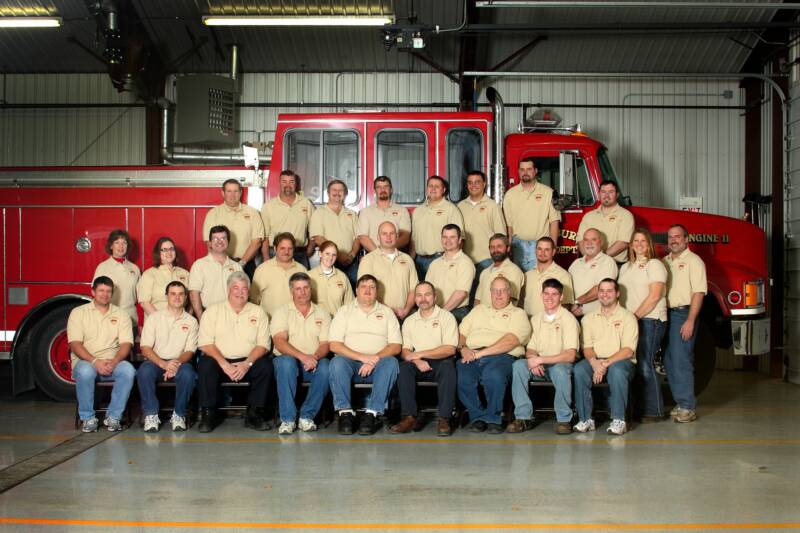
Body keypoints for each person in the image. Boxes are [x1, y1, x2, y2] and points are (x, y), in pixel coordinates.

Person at [196, 271, 273, 433]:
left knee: (265, 365)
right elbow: (205, 344)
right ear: (228, 290)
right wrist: (224, 365)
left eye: (244, 289)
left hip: (247, 361)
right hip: (219, 361)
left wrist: (247, 363)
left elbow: (263, 345)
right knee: (205, 364)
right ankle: (208, 414)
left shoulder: (258, 312)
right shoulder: (212, 311)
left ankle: (254, 414)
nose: (240, 292)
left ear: (249, 291)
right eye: (235, 288)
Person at [328, 274, 401, 435]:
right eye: (364, 287)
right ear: (356, 290)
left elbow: (396, 346)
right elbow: (334, 345)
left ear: (377, 291)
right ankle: (345, 413)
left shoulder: (387, 312)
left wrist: (374, 359)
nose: (368, 291)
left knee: (391, 363)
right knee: (336, 363)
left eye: (372, 287)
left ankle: (372, 414)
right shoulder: (344, 311)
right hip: (351, 363)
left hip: (378, 364)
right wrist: (362, 358)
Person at [457, 277, 531, 434]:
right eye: (495, 291)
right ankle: (478, 417)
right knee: (462, 375)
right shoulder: (478, 310)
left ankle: (493, 418)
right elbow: (461, 333)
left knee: (494, 375)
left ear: (509, 293)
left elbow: (511, 341)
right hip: (471, 353)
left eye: (502, 290)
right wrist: (463, 348)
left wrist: (480, 354)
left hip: (502, 356)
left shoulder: (518, 313)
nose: (498, 295)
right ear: (490, 293)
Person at [508, 279, 579, 435]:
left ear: (561, 297)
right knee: (519, 365)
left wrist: (540, 360)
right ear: (541, 295)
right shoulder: (536, 319)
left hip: (560, 364)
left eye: (554, 294)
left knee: (560, 370)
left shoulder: (569, 319)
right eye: (546, 293)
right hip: (541, 365)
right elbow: (531, 348)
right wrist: (533, 360)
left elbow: (570, 355)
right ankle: (523, 417)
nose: (550, 298)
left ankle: (563, 419)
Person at [390, 282, 458, 437]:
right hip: (417, 363)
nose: (423, 299)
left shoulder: (447, 317)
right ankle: (409, 417)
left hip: (441, 360)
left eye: (427, 294)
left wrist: (420, 354)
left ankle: (444, 418)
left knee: (448, 369)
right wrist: (416, 360)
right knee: (404, 368)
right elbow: (405, 351)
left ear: (435, 297)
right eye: (419, 295)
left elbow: (450, 349)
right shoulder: (410, 321)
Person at [68, 276, 135, 432]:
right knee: (85, 372)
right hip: (87, 362)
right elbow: (75, 344)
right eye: (101, 291)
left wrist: (115, 361)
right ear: (93, 292)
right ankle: (88, 418)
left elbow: (126, 344)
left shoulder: (122, 314)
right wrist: (95, 361)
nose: (105, 294)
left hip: (113, 361)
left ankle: (114, 417)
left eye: (108, 291)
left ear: (112, 294)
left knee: (128, 371)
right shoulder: (78, 313)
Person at [573, 278, 638, 435]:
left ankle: (619, 420)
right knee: (579, 370)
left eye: (609, 291)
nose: (605, 294)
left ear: (617, 293)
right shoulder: (588, 318)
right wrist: (594, 362)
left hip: (621, 362)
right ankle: (586, 419)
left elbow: (628, 350)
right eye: (601, 291)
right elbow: (587, 347)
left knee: (617, 372)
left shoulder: (628, 317)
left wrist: (604, 364)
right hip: (596, 359)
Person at [271, 272, 332, 435]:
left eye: (305, 287)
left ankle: (306, 417)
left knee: (327, 366)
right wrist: (303, 357)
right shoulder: (282, 312)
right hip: (288, 363)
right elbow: (279, 342)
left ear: (310, 289)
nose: (302, 292)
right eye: (298, 289)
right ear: (291, 291)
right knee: (286, 362)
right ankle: (288, 420)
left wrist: (315, 358)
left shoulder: (322, 313)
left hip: (313, 362)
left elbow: (325, 344)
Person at [618, 228, 668, 422]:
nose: (639, 244)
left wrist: (634, 317)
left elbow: (654, 296)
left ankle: (654, 411)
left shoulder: (655, 265)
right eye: (635, 241)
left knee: (646, 364)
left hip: (650, 320)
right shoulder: (626, 267)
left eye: (643, 241)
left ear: (649, 245)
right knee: (636, 365)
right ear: (630, 245)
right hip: (633, 321)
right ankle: (640, 408)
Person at [136, 281, 198, 432]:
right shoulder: (154, 318)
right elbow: (145, 348)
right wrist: (163, 364)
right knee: (144, 371)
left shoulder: (191, 321)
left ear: (185, 297)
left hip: (180, 362)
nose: (177, 297)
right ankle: (151, 414)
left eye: (181, 294)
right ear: (166, 296)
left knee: (189, 375)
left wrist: (175, 363)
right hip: (156, 361)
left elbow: (190, 351)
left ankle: (179, 414)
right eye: (173, 294)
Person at [663, 224, 707, 423]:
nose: (673, 240)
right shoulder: (664, 262)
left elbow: (698, 292)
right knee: (670, 361)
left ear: (686, 239)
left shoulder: (694, 262)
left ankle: (688, 406)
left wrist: (690, 320)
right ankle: (681, 402)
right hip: (666, 314)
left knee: (681, 360)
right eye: (670, 237)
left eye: (678, 236)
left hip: (683, 314)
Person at [502, 157, 561, 271]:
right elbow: (509, 226)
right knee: (521, 283)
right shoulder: (510, 195)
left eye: (529, 169)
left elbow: (554, 222)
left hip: (540, 247)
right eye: (522, 169)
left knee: (540, 281)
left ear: (535, 171)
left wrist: (552, 246)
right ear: (518, 171)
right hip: (518, 246)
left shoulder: (548, 192)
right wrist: (509, 246)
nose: (525, 172)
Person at [457, 170, 507, 294]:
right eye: (470, 182)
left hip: (487, 260)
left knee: (485, 295)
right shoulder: (460, 206)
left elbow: (501, 235)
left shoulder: (492, 206)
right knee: (467, 296)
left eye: (477, 182)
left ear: (484, 184)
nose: (473, 185)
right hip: (465, 260)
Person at [202, 178, 264, 277]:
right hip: (220, 264)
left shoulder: (253, 213)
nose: (232, 195)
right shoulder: (213, 214)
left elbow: (256, 242)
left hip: (246, 264)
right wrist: (223, 263)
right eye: (229, 191)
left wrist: (242, 263)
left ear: (240, 193)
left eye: (235, 191)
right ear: (223, 193)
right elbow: (209, 243)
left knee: (246, 292)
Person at [357, 221, 418, 321]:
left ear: (397, 236)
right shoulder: (368, 260)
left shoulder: (408, 259)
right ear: (378, 237)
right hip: (378, 317)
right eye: (384, 234)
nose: (388, 237)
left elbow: (414, 289)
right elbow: (364, 292)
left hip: (405, 316)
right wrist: (389, 311)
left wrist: (406, 310)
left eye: (392, 233)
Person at [410, 175, 464, 280]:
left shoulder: (451, 209)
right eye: (430, 186)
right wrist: (411, 262)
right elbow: (414, 240)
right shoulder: (418, 211)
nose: (433, 189)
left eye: (437, 186)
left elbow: (460, 239)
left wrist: (453, 261)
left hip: (442, 259)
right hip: (419, 262)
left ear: (443, 190)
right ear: (427, 189)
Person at [309, 179, 361, 286]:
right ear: (328, 193)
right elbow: (319, 238)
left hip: (351, 262)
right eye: (334, 190)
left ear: (345, 193)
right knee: (329, 291)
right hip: (328, 260)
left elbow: (358, 238)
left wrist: (351, 256)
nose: (337, 193)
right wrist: (339, 255)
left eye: (341, 190)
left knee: (352, 291)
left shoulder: (352, 214)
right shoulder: (318, 213)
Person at [260, 170, 314, 268]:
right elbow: (265, 236)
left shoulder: (306, 204)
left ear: (296, 184)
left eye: (291, 181)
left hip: (299, 254)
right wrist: (266, 257)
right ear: (279, 183)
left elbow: (314, 229)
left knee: (301, 283)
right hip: (275, 254)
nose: (288, 185)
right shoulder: (268, 206)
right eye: (284, 181)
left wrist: (310, 249)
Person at [188, 225, 243, 320]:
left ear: (228, 241)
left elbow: (242, 293)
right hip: (208, 315)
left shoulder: (236, 266)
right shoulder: (199, 265)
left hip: (232, 316)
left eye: (223, 238)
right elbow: (194, 294)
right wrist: (202, 318)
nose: (219, 241)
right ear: (210, 242)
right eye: (215, 238)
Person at [424, 224, 475, 322]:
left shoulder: (465, 262)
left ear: (460, 240)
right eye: (445, 237)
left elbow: (461, 293)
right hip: (435, 310)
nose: (448, 241)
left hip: (456, 311)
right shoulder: (434, 264)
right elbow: (427, 291)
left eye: (452, 237)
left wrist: (439, 314)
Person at [251, 232, 308, 318]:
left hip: (295, 322)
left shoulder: (302, 270)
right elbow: (254, 300)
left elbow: (306, 299)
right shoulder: (262, 269)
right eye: (282, 248)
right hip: (269, 322)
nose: (286, 252)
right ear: (275, 248)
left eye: (290, 248)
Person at [576, 180, 635, 264]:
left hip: (616, 264)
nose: (606, 195)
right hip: (590, 263)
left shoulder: (626, 215)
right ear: (599, 194)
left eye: (611, 192)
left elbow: (623, 243)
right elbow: (580, 240)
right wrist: (588, 258)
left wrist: (600, 258)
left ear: (617, 195)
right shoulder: (588, 216)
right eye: (603, 192)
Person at [93, 229, 140, 326]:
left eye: (124, 243)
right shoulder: (103, 267)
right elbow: (96, 295)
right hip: (109, 320)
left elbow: (140, 297)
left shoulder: (135, 269)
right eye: (117, 242)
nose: (121, 246)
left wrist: (140, 323)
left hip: (131, 319)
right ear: (111, 246)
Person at [568, 228, 618, 317]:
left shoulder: (607, 261)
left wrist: (577, 303)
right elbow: (567, 287)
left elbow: (601, 289)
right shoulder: (576, 263)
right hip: (573, 316)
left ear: (601, 242)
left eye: (593, 239)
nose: (589, 243)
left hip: (597, 318)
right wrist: (569, 307)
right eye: (586, 239)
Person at [519, 237, 574, 318]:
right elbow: (520, 302)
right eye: (539, 249)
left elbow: (566, 306)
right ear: (535, 251)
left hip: (549, 325)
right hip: (528, 323)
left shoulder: (563, 275)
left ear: (553, 252)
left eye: (547, 250)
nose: (542, 253)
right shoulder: (527, 275)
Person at [137, 237, 190, 317]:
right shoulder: (149, 274)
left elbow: (192, 299)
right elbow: (145, 303)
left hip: (180, 325)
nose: (169, 252)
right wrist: (162, 321)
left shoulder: (185, 273)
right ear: (158, 253)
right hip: (157, 324)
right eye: (165, 250)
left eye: (172, 249)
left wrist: (186, 318)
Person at [356, 176, 411, 252]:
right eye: (379, 187)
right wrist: (379, 254)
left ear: (391, 190)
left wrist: (390, 251)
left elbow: (405, 236)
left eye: (386, 186)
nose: (382, 189)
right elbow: (363, 237)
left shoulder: (402, 211)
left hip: (396, 255)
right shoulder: (365, 212)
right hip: (373, 256)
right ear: (375, 191)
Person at [474, 234, 524, 307]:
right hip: (482, 316)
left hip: (501, 317)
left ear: (508, 248)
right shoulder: (485, 272)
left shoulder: (514, 271)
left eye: (499, 246)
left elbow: (511, 301)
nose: (495, 250)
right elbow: (477, 300)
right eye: (492, 247)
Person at [308, 240, 354, 316]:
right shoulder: (309, 276)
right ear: (320, 254)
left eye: (334, 255)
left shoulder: (342, 277)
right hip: (317, 323)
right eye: (327, 254)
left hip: (338, 323)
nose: (330, 258)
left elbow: (350, 305)